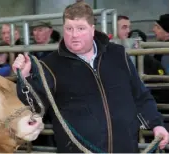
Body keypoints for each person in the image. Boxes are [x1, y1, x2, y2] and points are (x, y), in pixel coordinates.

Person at [12, 2, 169, 153]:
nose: (74, 35)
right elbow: (35, 108)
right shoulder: (50, 65)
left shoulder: (117, 54)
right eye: (69, 29)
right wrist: (25, 78)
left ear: (92, 29)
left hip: (125, 148)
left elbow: (140, 95)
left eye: (80, 28)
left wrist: (157, 125)